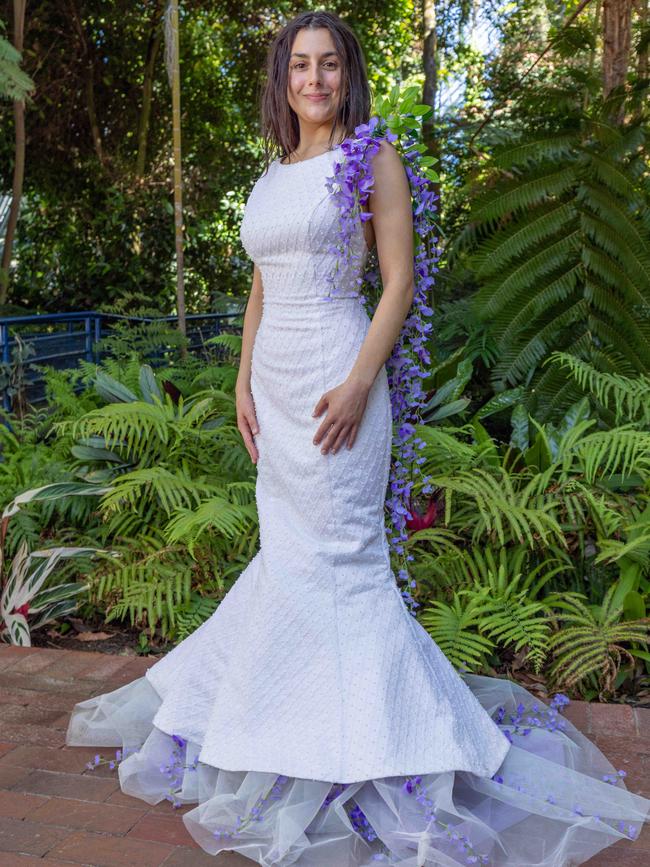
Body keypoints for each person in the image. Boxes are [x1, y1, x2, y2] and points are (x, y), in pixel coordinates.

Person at [65, 10, 650, 866]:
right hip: (275, 380)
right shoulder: (276, 170)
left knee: (341, 562)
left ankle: (382, 750)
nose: (314, 80)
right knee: (287, 562)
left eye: (329, 65)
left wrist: (359, 382)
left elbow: (400, 280)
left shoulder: (369, 157)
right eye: (300, 65)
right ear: (283, 78)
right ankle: (284, 733)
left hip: (342, 376)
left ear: (348, 75)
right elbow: (262, 285)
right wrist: (240, 375)